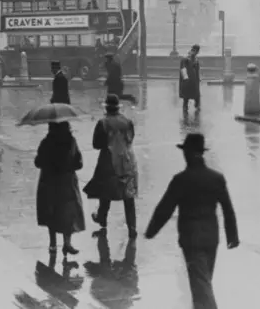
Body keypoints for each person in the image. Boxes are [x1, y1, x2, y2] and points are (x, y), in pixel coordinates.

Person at [144, 133, 239, 309]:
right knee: (202, 282)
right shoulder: (216, 178)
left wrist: (151, 231)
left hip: (191, 238)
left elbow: (165, 208)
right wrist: (232, 235)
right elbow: (228, 208)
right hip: (211, 237)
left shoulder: (181, 180)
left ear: (187, 153)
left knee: (201, 285)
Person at [84, 94, 138, 239]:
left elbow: (96, 144)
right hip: (127, 161)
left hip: (108, 161)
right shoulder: (128, 122)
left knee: (105, 191)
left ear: (106, 108)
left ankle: (102, 217)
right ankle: (132, 227)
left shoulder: (103, 123)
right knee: (128, 195)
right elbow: (131, 138)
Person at [35, 121, 86, 256]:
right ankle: (67, 243)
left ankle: (53, 244)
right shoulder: (71, 141)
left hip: (49, 182)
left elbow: (38, 162)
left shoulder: (46, 142)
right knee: (67, 212)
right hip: (67, 182)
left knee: (51, 211)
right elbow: (79, 163)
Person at [179, 44, 202, 113]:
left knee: (195, 95)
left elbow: (196, 70)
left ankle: (195, 107)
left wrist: (198, 78)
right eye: (195, 50)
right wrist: (186, 79)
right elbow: (183, 69)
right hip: (189, 81)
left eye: (197, 51)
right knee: (187, 97)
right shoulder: (186, 59)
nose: (196, 52)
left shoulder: (195, 60)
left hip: (192, 81)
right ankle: (188, 108)